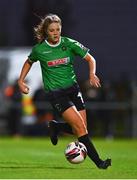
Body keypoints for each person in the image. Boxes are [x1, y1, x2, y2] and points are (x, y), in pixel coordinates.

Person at [18, 14, 111, 169]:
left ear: (61, 29)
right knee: (80, 128)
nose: (55, 33)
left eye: (58, 29)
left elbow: (90, 59)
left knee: (82, 128)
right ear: (46, 31)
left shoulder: (69, 43)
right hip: (56, 93)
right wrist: (21, 80)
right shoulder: (40, 49)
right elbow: (29, 61)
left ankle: (56, 127)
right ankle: (99, 163)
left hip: (73, 89)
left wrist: (91, 73)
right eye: (52, 30)